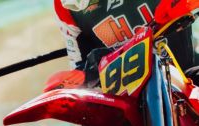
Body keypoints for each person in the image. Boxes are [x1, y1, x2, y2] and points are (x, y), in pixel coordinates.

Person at [54, 0, 199, 84]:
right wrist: (78, 80)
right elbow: (80, 68)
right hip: (129, 102)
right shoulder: (64, 8)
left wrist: (188, 3)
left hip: (187, 77)